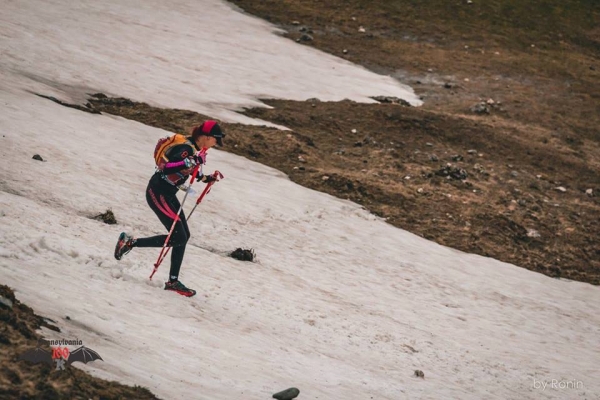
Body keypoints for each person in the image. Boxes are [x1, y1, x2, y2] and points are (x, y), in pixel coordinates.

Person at [114, 120, 225, 297]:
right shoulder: (187, 149)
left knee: (184, 236)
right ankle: (129, 243)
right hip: (157, 192)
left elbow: (193, 171)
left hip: (169, 194)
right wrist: (190, 161)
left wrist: (207, 178)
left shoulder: (195, 150)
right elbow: (167, 168)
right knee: (179, 236)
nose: (215, 145)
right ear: (205, 137)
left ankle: (173, 281)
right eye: (214, 140)